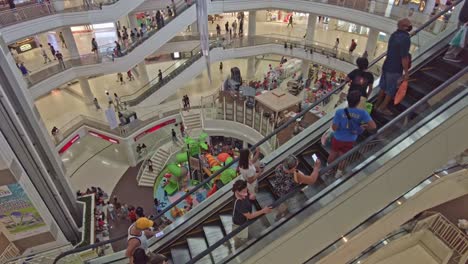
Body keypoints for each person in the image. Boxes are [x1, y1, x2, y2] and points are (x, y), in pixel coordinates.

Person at [328, 91, 377, 176]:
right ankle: (338, 174)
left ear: (347, 100)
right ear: (358, 102)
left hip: (338, 138)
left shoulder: (339, 112)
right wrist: (364, 127)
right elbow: (373, 126)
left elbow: (334, 128)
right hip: (350, 140)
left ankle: (328, 171)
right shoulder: (363, 113)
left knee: (333, 153)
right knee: (344, 157)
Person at [375, 18, 412, 116]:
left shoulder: (394, 35)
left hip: (387, 65)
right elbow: (404, 57)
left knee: (383, 87)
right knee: (390, 90)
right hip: (395, 68)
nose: (410, 26)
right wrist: (406, 73)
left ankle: (377, 104)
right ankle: (382, 108)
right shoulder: (405, 39)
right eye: (409, 25)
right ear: (405, 26)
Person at [271, 155, 321, 220]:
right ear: (292, 168)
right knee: (287, 204)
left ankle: (278, 215)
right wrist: (316, 167)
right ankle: (282, 217)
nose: (297, 164)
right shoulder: (295, 175)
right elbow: (312, 180)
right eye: (296, 165)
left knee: (283, 202)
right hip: (289, 194)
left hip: (279, 189)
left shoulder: (279, 167)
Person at [231, 180, 272, 248]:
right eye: (244, 192)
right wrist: (263, 211)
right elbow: (250, 216)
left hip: (245, 222)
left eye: (246, 190)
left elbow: (250, 195)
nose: (246, 193)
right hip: (240, 225)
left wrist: (251, 195)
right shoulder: (238, 203)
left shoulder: (243, 193)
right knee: (242, 243)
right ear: (237, 192)